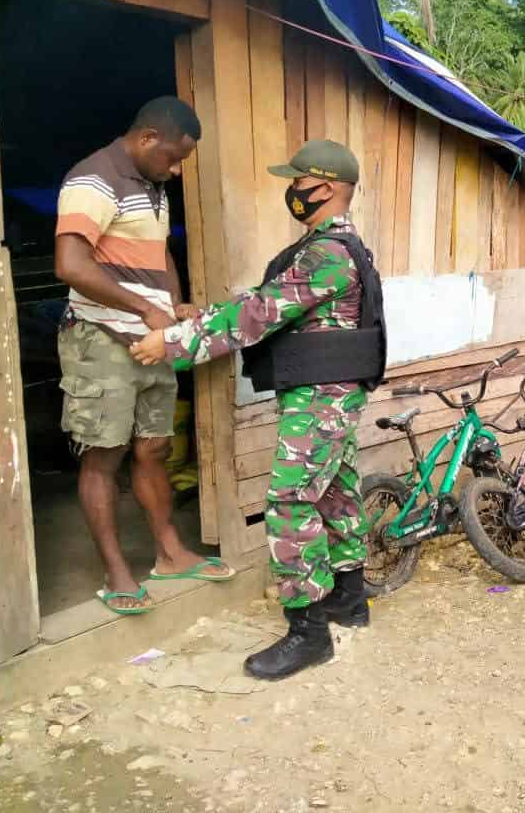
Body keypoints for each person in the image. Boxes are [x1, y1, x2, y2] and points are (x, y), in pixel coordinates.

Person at [131, 140, 386, 679]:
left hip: (322, 396)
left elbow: (257, 314)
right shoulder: (336, 247)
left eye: (299, 182)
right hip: (330, 392)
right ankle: (349, 599)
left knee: (291, 501)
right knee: (337, 490)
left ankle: (308, 634)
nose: (291, 191)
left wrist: (174, 343)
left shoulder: (327, 254)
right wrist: (205, 315)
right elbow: (267, 300)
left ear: (329, 188)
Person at [54, 96, 234, 616]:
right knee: (103, 455)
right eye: (174, 158)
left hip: (153, 340)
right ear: (148, 137)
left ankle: (170, 554)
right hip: (102, 337)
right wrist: (141, 308)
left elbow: (159, 255)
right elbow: (70, 264)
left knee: (153, 449)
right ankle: (116, 572)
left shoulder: (151, 188)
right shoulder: (94, 180)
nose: (177, 171)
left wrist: (170, 303)